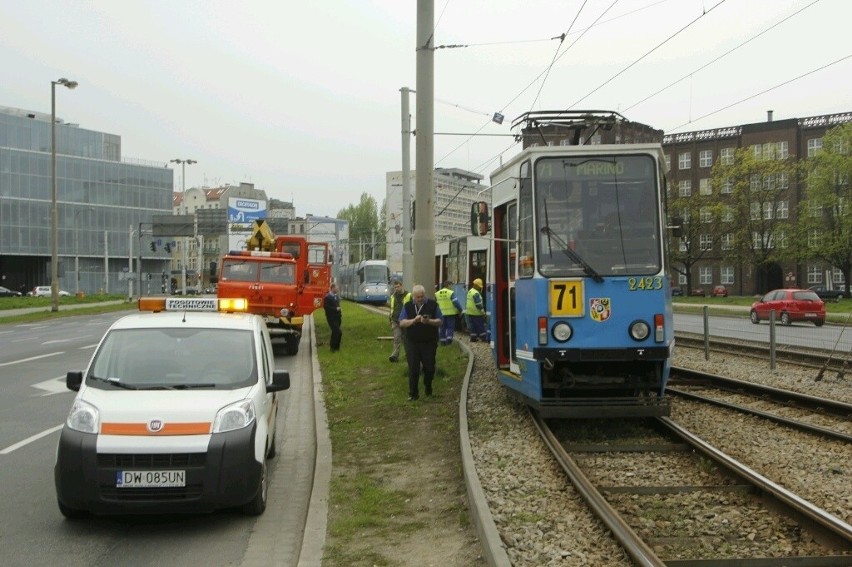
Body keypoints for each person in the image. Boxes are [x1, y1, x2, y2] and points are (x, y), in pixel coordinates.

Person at [398, 284, 443, 401]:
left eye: (422, 296)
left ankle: (428, 387)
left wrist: (429, 321)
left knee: (429, 367)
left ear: (424, 295)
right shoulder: (407, 306)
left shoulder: (433, 305)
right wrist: (414, 320)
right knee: (413, 368)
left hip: (429, 342)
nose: (420, 299)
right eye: (417, 297)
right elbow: (402, 322)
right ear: (413, 296)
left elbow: (440, 321)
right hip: (412, 342)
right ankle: (413, 394)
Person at [387, 278, 410, 362]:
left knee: (406, 339)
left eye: (398, 287)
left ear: (402, 286)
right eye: (395, 287)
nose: (396, 289)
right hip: (395, 320)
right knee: (396, 338)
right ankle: (394, 356)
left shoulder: (408, 295)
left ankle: (409, 355)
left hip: (405, 321)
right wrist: (390, 319)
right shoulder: (393, 296)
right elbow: (391, 308)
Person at [434, 280, 463, 346]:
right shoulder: (450, 293)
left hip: (441, 314)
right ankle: (449, 340)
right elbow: (456, 302)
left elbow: (435, 304)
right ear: (448, 285)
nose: (452, 287)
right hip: (450, 313)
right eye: (451, 285)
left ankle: (442, 341)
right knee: (450, 327)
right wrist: (460, 310)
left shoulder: (437, 293)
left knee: (442, 327)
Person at [466, 278, 489, 343]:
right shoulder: (475, 293)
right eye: (479, 286)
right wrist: (483, 313)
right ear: (476, 285)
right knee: (480, 326)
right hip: (477, 313)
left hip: (470, 313)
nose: (480, 288)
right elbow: (478, 304)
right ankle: (484, 338)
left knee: (473, 327)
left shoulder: (470, 291)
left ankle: (473, 338)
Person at [323, 283, 342, 351]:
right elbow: (326, 307)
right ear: (332, 288)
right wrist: (336, 309)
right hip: (331, 318)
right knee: (338, 332)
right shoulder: (327, 297)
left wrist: (340, 312)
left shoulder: (336, 296)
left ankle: (335, 348)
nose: (337, 289)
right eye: (336, 288)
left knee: (335, 332)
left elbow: (338, 305)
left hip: (338, 318)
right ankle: (334, 347)